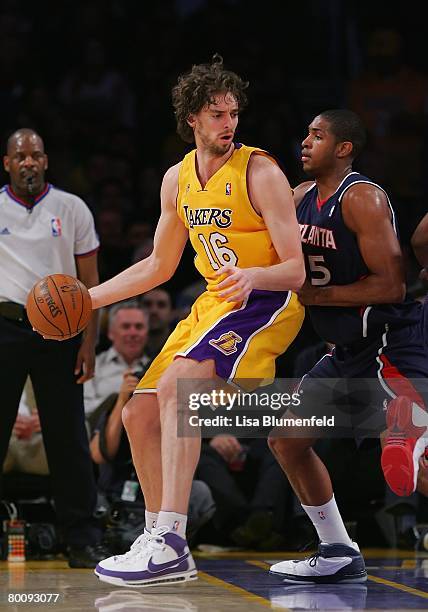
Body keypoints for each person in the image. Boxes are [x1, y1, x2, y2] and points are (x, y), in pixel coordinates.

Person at [85, 55, 305, 587]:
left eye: (233, 113)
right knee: (138, 413)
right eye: (217, 115)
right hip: (213, 302)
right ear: (193, 119)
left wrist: (254, 276)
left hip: (265, 300)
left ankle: (175, 540)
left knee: (181, 390)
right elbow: (159, 266)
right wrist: (88, 298)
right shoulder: (177, 179)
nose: (228, 123)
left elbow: (296, 269)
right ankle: (158, 534)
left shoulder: (262, 171)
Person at [268, 109, 428, 584]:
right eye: (305, 134)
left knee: (410, 474)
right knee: (286, 439)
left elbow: (392, 286)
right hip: (344, 351)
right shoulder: (297, 198)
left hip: (387, 344)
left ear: (343, 148)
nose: (305, 142)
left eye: (317, 136)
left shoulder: (361, 198)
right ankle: (338, 548)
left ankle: (410, 431)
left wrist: (319, 295)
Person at [0, 128, 109, 568]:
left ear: (46, 162)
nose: (28, 161)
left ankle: (81, 538)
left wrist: (88, 342)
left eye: (36, 155)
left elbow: (92, 283)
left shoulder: (72, 208)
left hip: (59, 332)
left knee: (68, 439)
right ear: (6, 163)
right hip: (5, 325)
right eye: (20, 155)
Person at [84, 300, 151, 427]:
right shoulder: (93, 366)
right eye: (126, 327)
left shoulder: (157, 368)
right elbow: (83, 409)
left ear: (147, 332)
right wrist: (118, 399)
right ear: (110, 333)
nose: (133, 333)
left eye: (139, 327)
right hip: (97, 436)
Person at [139, 288, 174, 359]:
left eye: (161, 305)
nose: (154, 311)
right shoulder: (125, 347)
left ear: (172, 313)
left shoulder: (183, 346)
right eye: (147, 304)